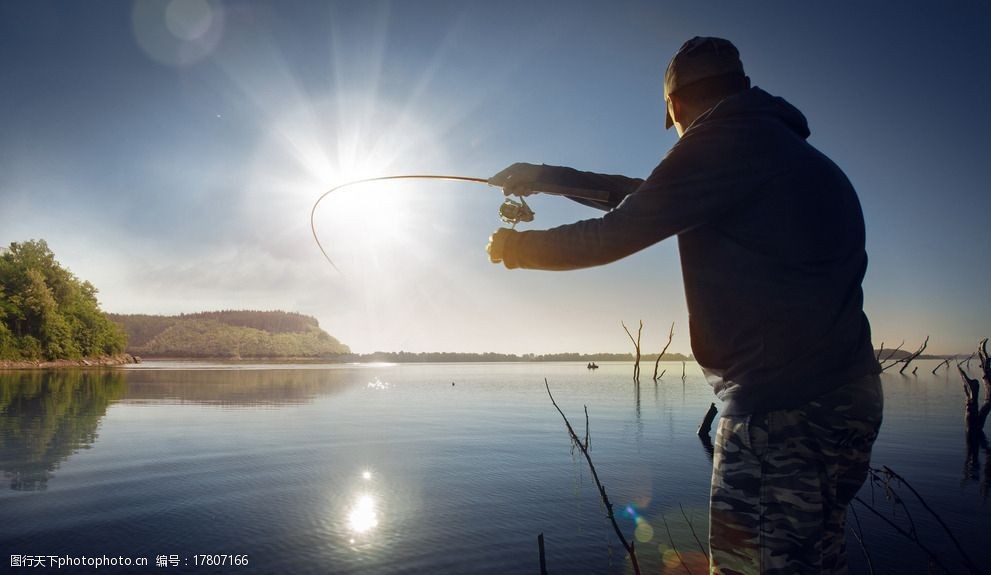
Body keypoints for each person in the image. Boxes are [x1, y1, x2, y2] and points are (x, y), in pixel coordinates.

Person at [486, 37, 883, 574]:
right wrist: (550, 178)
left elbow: (617, 232)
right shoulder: (775, 147)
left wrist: (516, 249)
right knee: (813, 560)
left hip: (780, 408)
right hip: (846, 397)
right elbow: (653, 193)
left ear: (674, 106)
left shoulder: (725, 139)